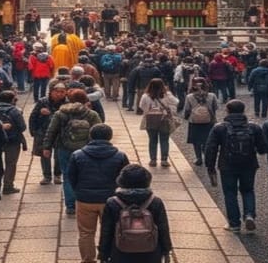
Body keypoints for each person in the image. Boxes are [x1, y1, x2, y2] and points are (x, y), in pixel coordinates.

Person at [66, 124, 130, 263]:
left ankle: (88, 259)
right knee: (112, 230)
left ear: (91, 136)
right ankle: (108, 257)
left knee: (86, 232)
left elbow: (71, 176)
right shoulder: (120, 156)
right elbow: (125, 178)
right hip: (111, 200)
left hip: (85, 199)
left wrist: (79, 190)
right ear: (110, 136)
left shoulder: (77, 155)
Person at [205, 99, 268, 232]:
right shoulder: (254, 127)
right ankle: (249, 215)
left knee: (230, 193)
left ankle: (234, 223)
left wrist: (210, 166)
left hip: (227, 165)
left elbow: (211, 148)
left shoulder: (219, 127)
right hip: (249, 164)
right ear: (243, 110)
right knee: (248, 190)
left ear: (227, 110)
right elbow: (263, 148)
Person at [42, 89, 103, 215]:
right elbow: (100, 132)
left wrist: (47, 147)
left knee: (67, 176)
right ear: (85, 99)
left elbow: (51, 131)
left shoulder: (60, 113)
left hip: (65, 148)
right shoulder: (91, 114)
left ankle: (70, 206)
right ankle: (84, 202)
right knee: (85, 175)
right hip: (86, 150)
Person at [98, 164, 173, 262]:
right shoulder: (155, 202)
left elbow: (106, 231)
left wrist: (103, 254)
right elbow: (163, 229)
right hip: (150, 253)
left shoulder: (112, 203)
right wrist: (166, 251)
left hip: (120, 252)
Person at [29, 82, 69, 185]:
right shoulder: (43, 102)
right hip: (43, 132)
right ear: (51, 92)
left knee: (58, 155)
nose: (59, 94)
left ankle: (57, 175)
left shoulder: (68, 103)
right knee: (45, 155)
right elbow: (33, 116)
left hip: (60, 132)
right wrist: (33, 131)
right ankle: (47, 176)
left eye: (62, 92)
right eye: (57, 91)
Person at [138, 78, 179, 167]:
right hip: (163, 120)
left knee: (152, 140)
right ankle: (164, 160)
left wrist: (148, 111)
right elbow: (176, 102)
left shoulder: (146, 96)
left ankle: (153, 160)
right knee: (164, 140)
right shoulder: (167, 95)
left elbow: (141, 106)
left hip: (150, 120)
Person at [0, 91, 27, 197]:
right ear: (12, 100)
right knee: (11, 164)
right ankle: (8, 186)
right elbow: (22, 127)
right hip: (12, 140)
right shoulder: (14, 111)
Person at [183, 77, 218, 166]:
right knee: (207, 140)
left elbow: (187, 109)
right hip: (208, 121)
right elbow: (215, 107)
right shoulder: (212, 95)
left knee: (196, 141)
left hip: (194, 121)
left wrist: (186, 117)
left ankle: (198, 158)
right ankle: (207, 156)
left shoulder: (189, 97)